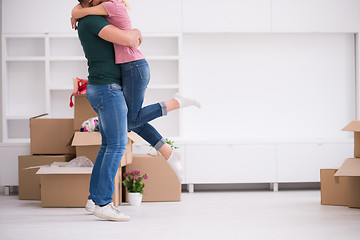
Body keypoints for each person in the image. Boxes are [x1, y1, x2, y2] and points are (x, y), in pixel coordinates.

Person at [71, 0, 200, 183]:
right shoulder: (103, 10)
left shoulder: (111, 5)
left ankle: (176, 105)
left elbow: (81, 11)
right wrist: (75, 13)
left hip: (134, 68)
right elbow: (81, 10)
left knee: (130, 121)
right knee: (131, 120)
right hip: (130, 69)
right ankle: (169, 152)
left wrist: (75, 14)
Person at [73, 0, 142, 221]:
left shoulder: (88, 17)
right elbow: (131, 39)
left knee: (108, 144)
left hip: (102, 87)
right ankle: (103, 202)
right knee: (117, 144)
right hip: (107, 88)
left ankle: (94, 199)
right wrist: (137, 31)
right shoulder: (92, 20)